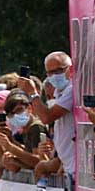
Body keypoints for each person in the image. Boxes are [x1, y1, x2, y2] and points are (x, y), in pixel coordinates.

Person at [22, 52, 76, 181]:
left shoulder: (73, 89)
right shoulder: (59, 92)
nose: (55, 76)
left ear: (70, 68)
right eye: (50, 73)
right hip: (67, 165)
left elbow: (47, 118)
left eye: (59, 70)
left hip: (77, 169)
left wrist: (33, 93)